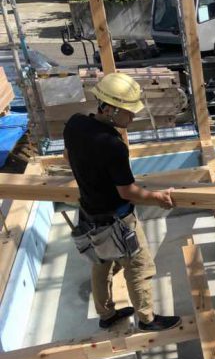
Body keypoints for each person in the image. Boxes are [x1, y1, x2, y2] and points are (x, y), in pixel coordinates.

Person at [63, 72, 181, 332]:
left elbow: (67, 157)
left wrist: (91, 177)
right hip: (117, 220)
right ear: (110, 108)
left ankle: (106, 315)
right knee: (138, 267)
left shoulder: (75, 124)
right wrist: (157, 198)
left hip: (88, 213)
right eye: (129, 112)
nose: (133, 117)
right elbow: (127, 191)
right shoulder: (112, 144)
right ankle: (147, 319)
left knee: (101, 264)